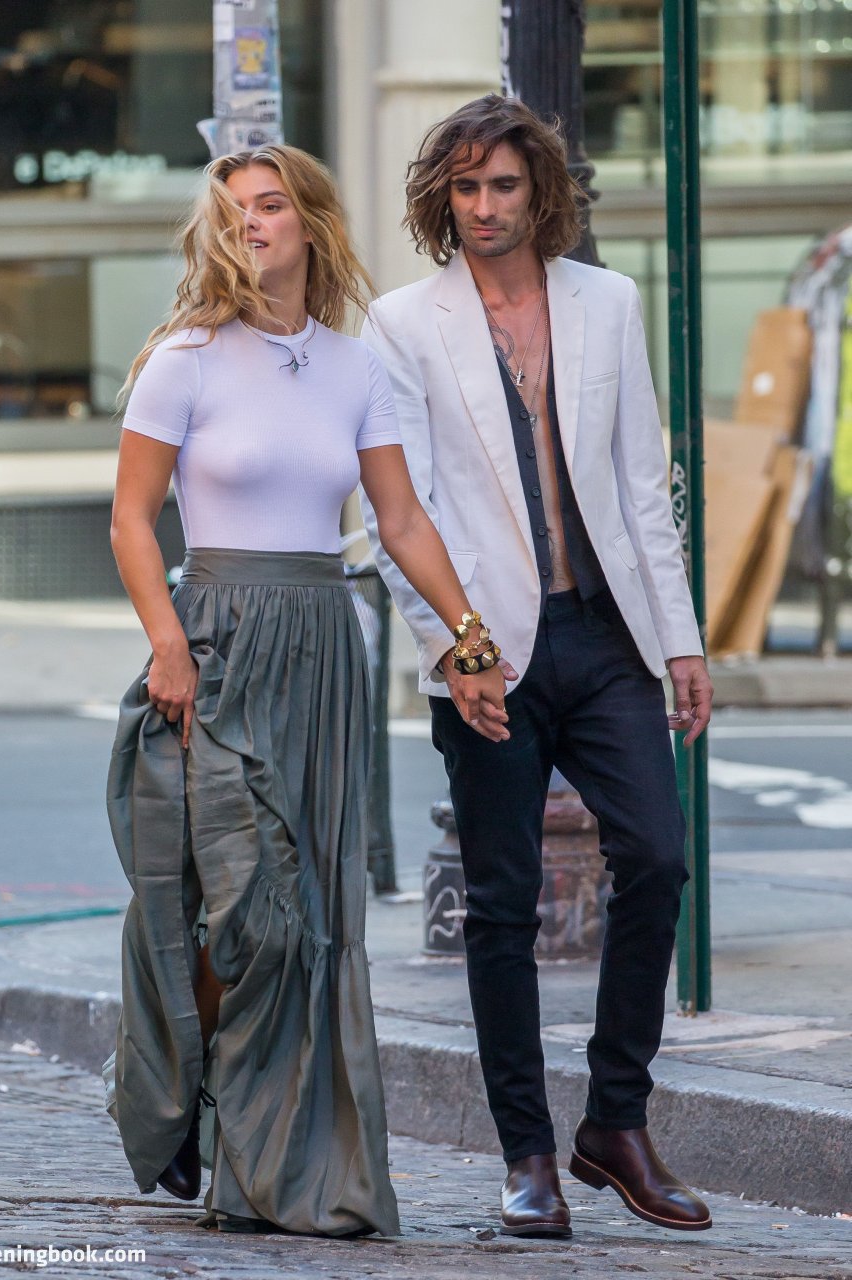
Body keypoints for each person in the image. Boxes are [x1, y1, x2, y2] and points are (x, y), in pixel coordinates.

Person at [103, 143, 507, 1238]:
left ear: (311, 223)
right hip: (218, 644)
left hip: (324, 647)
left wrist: (467, 637)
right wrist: (167, 643)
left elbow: (401, 520)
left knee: (308, 915)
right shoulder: (183, 359)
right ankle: (186, 1084)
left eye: (272, 204)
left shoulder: (353, 367)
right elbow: (131, 519)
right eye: (234, 208)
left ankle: (283, 1159)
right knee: (240, 910)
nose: (251, 223)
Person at [359, 95, 715, 1239]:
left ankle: (614, 1121)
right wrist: (452, 646)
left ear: (540, 191)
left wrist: (679, 636)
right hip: (485, 651)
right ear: (440, 197)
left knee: (655, 855)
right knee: (500, 903)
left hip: (603, 634)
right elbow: (396, 511)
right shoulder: (401, 324)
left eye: (502, 185)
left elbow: (640, 483)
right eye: (463, 187)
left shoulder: (605, 303)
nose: (482, 207)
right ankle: (525, 1153)